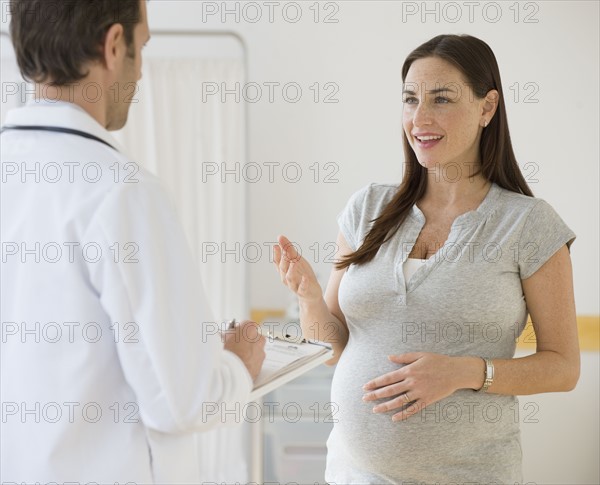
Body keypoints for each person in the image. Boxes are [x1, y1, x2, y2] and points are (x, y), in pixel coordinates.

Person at [273, 34, 579, 483]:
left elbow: (563, 367)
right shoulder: (367, 208)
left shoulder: (527, 224)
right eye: (411, 99)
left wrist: (466, 372)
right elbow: (334, 349)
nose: (420, 118)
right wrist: (309, 299)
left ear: (487, 108)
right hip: (354, 473)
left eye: (441, 99)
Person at [1, 1, 265, 483]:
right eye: (141, 49)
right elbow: (181, 402)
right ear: (114, 44)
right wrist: (236, 365)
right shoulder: (121, 192)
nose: (141, 72)